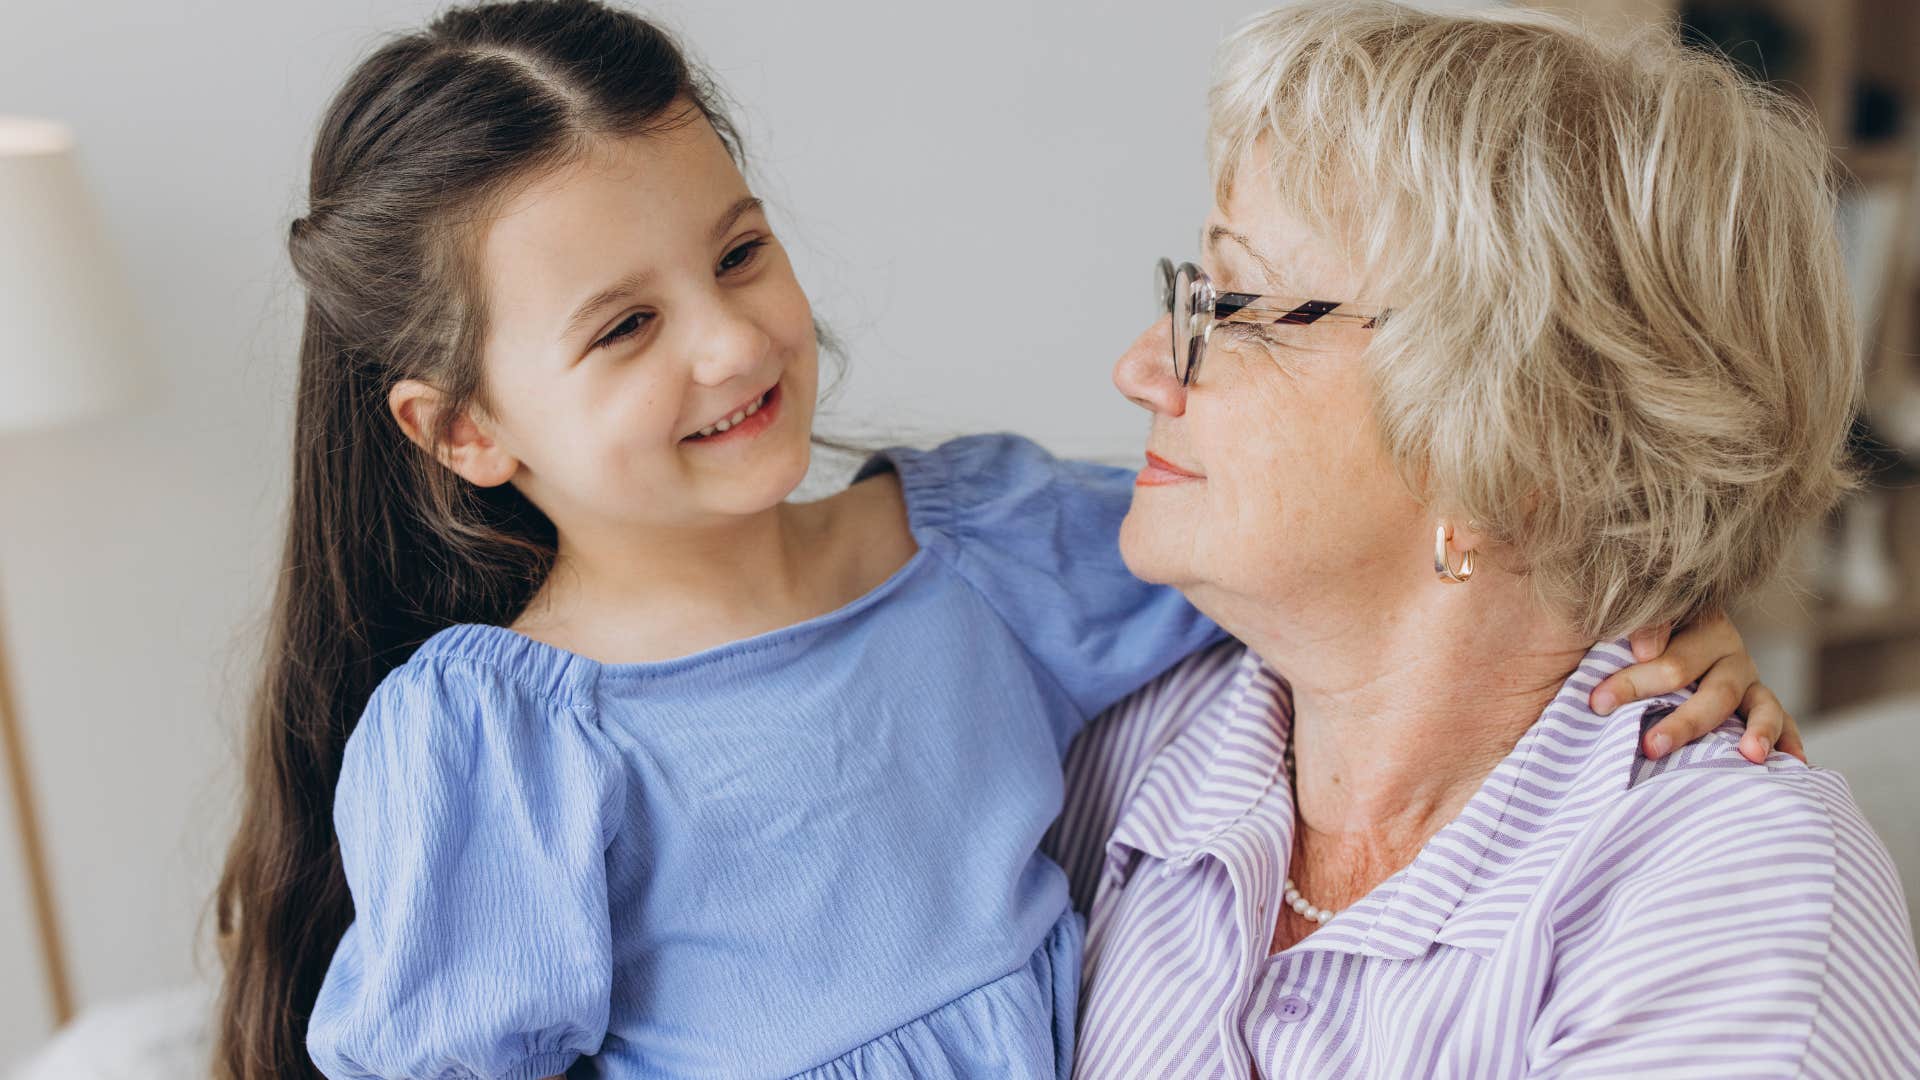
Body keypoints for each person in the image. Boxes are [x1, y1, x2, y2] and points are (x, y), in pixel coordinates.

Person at [210, 2, 1794, 1077]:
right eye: (623, 326)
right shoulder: (502, 739)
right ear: (465, 432)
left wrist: (1655, 612)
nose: (730, 345)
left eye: (741, 253)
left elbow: (1397, 546)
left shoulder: (985, 553)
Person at [1048, 4, 1920, 1076]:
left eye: (1239, 304)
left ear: (1507, 442)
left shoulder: (1726, 888)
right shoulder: (1134, 738)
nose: (1144, 368)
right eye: (1194, 289)